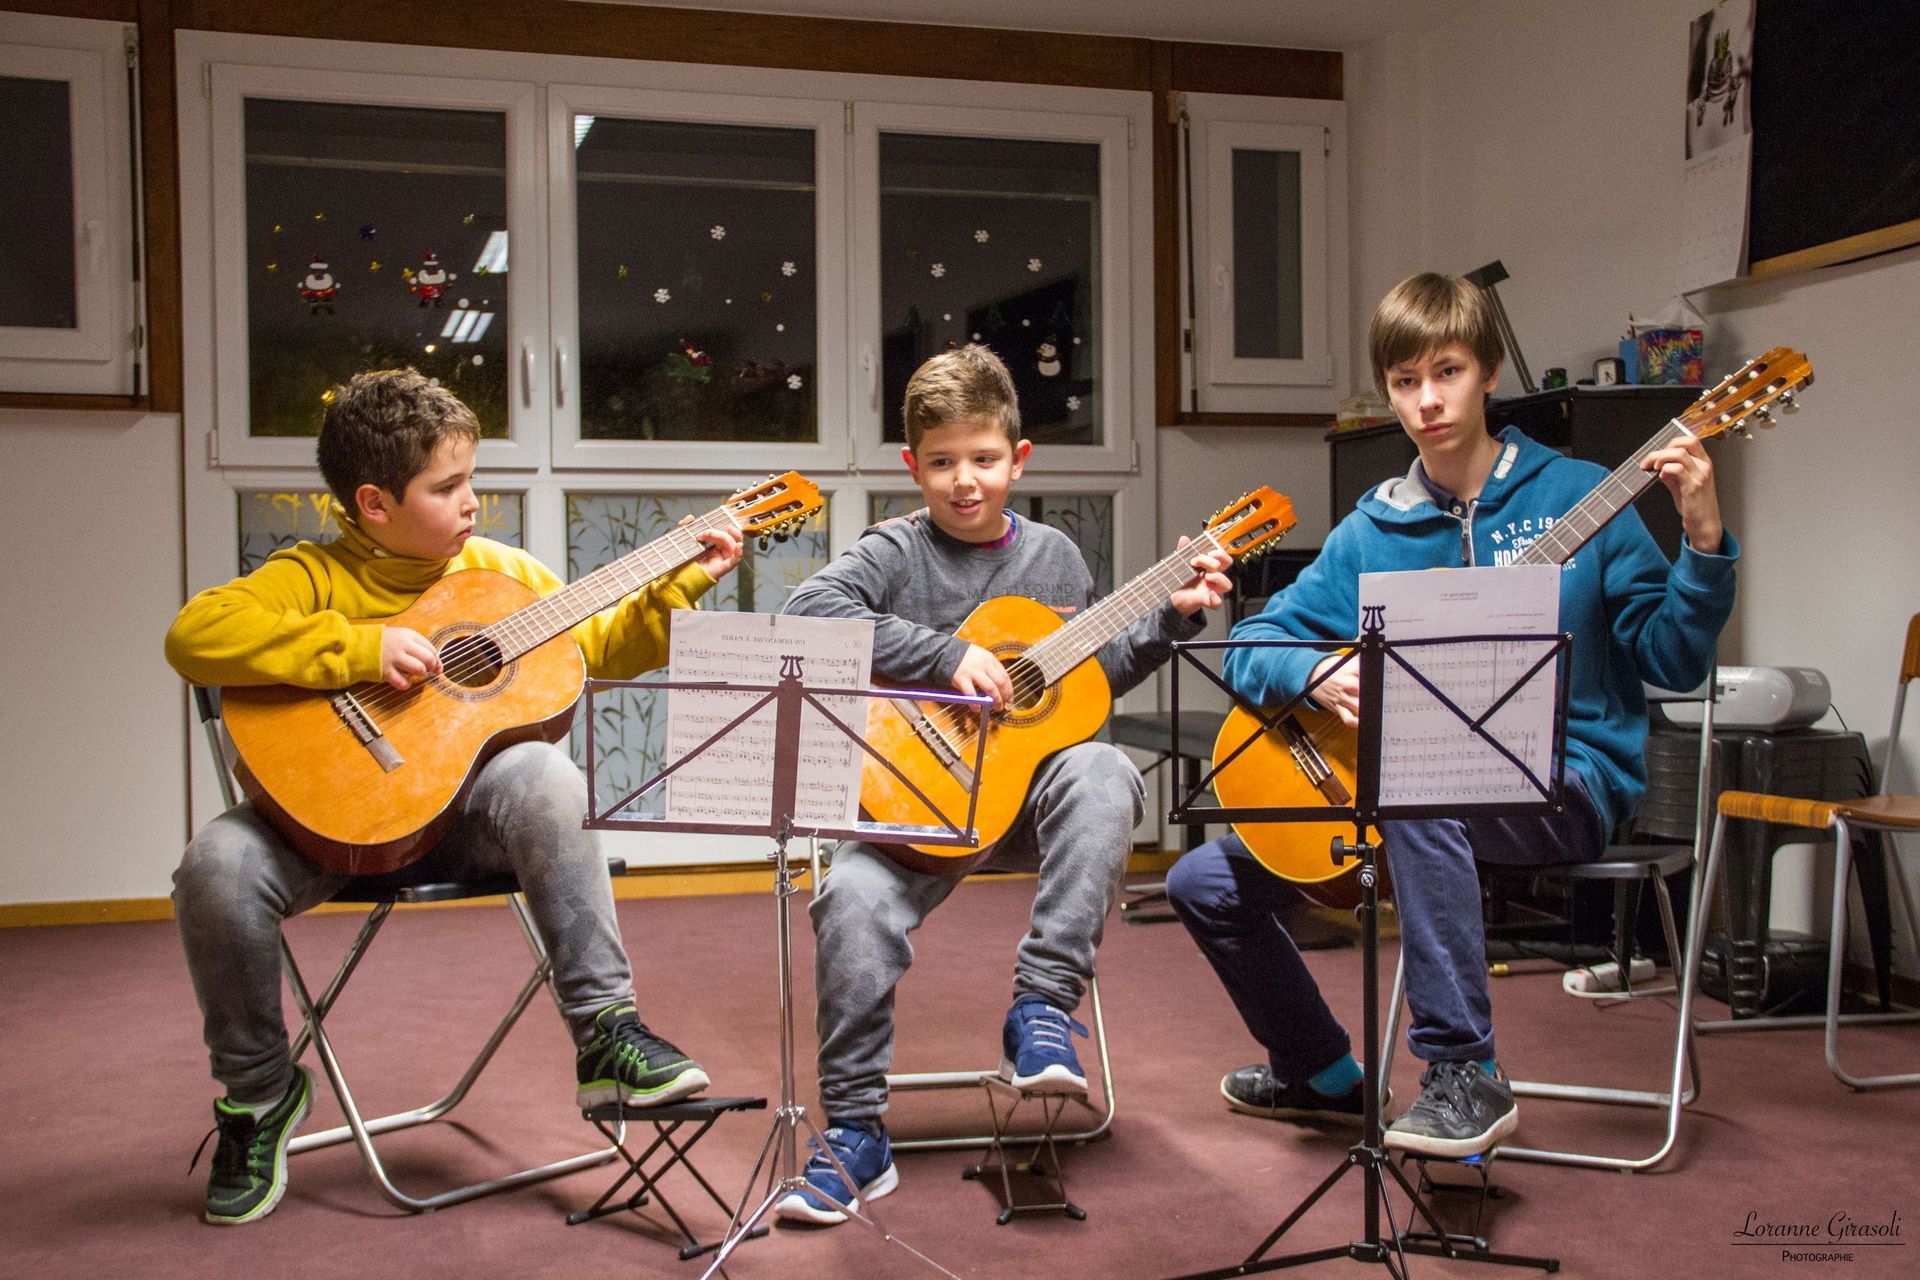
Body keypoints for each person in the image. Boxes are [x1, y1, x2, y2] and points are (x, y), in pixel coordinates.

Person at [1166, 272, 1737, 1159]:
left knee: (1416, 785)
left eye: (1448, 372)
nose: (1427, 401)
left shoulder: (1584, 496)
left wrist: (1700, 540)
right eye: (1405, 382)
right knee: (1203, 882)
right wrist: (1313, 670)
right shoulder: (1373, 529)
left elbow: (1673, 660)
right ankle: (1321, 1073)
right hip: (1413, 799)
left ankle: (1465, 1069)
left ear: (1489, 373)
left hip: (1570, 780)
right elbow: (1251, 644)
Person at [164, 368, 743, 1225]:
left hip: (464, 824)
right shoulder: (310, 577)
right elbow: (194, 635)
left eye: (471, 478)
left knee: (546, 774)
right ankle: (258, 1096)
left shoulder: (502, 574)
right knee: (212, 866)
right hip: (328, 830)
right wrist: (362, 650)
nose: (473, 501)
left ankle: (606, 1037)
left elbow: (602, 647)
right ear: (373, 503)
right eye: (447, 487)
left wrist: (684, 579)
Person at [774, 344, 1232, 1224]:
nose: (964, 481)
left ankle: (1042, 1011)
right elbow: (809, 612)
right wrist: (945, 655)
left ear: (1018, 459)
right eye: (942, 462)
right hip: (912, 809)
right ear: (912, 467)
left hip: (1020, 807)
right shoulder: (894, 551)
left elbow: (1084, 683)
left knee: (1102, 768)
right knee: (850, 902)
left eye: (983, 459)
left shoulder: (1055, 558)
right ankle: (856, 1132)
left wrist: (1168, 623)